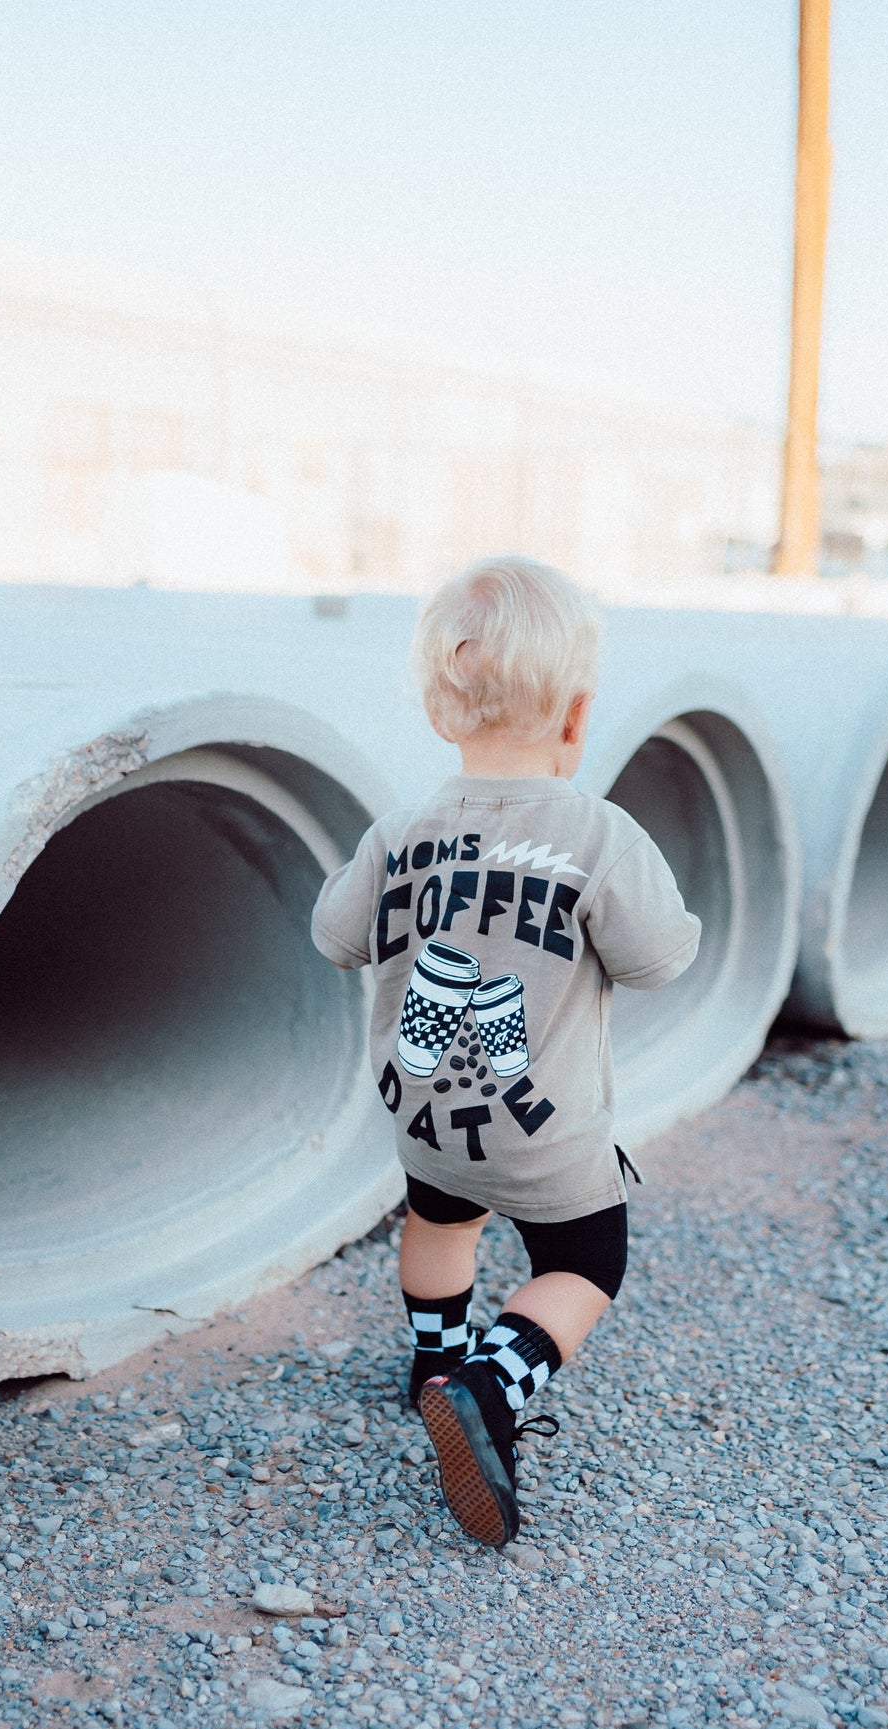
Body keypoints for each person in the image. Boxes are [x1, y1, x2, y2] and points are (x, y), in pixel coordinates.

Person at [311, 557, 700, 1548]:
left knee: (442, 1221)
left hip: (427, 1118)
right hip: (542, 1129)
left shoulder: (397, 833)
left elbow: (332, 937)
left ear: (440, 713)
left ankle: (433, 1362)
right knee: (583, 1261)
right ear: (577, 717)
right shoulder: (600, 837)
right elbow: (655, 962)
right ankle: (491, 1384)